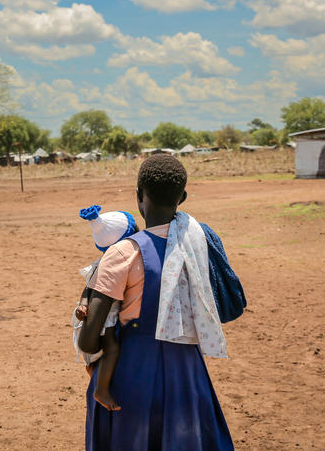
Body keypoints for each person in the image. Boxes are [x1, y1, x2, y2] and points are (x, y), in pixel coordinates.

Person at [79, 154, 234, 450]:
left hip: (130, 374)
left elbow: (88, 341)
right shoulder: (199, 245)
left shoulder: (122, 253)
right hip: (188, 373)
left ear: (139, 196)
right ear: (182, 197)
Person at [73, 205, 138, 411]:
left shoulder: (102, 261)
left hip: (98, 312)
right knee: (112, 348)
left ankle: (95, 372)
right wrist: (84, 306)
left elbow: (87, 289)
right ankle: (101, 388)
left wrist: (83, 304)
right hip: (105, 315)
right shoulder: (115, 261)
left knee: (103, 350)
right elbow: (89, 290)